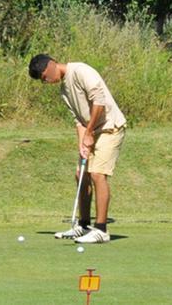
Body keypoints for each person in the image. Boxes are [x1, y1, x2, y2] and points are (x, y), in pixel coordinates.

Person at [28, 54, 127, 244]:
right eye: (43, 81)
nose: (47, 82)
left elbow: (99, 102)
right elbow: (79, 121)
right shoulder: (64, 90)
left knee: (98, 174)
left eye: (44, 77)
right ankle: (83, 226)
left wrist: (89, 133)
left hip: (110, 128)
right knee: (80, 174)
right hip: (92, 131)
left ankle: (101, 230)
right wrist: (82, 144)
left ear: (50, 65)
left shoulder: (81, 71)